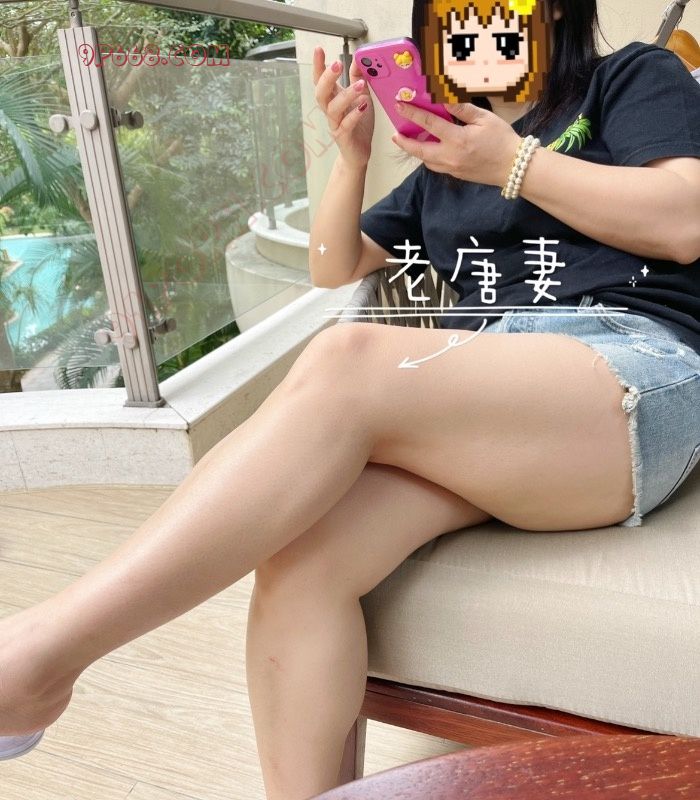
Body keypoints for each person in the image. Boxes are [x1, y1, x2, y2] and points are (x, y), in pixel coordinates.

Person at [0, 0, 699, 797]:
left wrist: (511, 162)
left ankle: (37, 658)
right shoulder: (445, 165)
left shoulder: (629, 78)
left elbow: (684, 220)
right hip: (500, 408)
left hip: (635, 367)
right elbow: (333, 264)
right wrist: (352, 155)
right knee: (303, 557)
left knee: (347, 356)